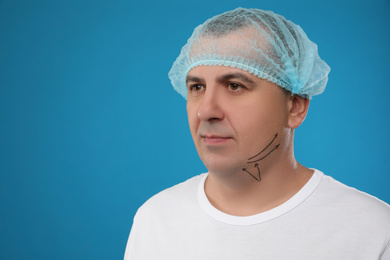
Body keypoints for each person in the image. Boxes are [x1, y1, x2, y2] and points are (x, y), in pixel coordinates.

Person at [124, 8, 390, 260]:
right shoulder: (156, 220)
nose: (206, 111)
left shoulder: (373, 231)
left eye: (234, 85)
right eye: (196, 87)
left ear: (295, 106)